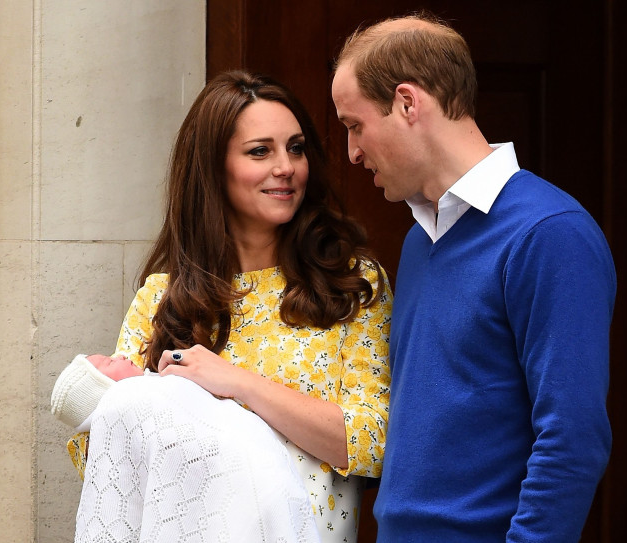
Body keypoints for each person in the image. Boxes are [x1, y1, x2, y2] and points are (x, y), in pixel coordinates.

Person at [63, 70, 393, 543]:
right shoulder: (162, 297)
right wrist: (107, 399)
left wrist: (235, 383)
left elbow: (373, 441)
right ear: (213, 168)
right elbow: (112, 461)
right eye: (260, 151)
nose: (286, 167)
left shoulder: (350, 284)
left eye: (296, 148)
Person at [331, 13, 616, 543]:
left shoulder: (549, 233)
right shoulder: (421, 240)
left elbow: (573, 440)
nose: (351, 152)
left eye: (355, 125)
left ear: (407, 103)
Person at [52, 354, 319, 542]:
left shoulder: (160, 386)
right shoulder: (124, 403)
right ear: (102, 389)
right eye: (109, 362)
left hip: (262, 469)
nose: (121, 354)